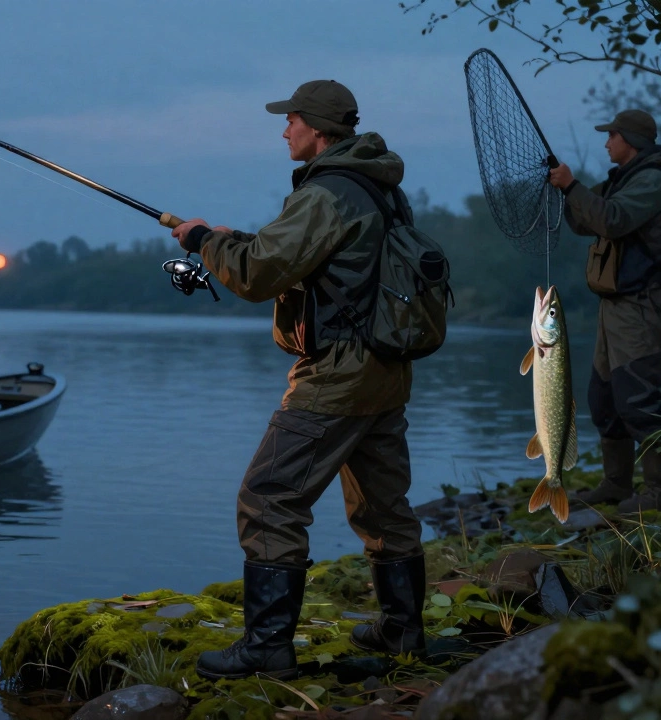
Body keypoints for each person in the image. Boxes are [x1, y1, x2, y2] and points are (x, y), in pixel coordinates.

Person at [170, 80, 426, 681]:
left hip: (338, 373)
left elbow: (258, 275)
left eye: (289, 121)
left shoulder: (327, 192)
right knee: (384, 505)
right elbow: (302, 260)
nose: (283, 130)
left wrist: (203, 239)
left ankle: (266, 649)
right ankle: (403, 630)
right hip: (385, 371)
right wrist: (231, 241)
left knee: (268, 496)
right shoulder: (378, 188)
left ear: (316, 127)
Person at [549, 109, 661, 513]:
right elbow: (586, 221)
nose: (607, 142)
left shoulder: (653, 181)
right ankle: (616, 484)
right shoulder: (624, 179)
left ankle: (660, 492)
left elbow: (613, 219)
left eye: (612, 136)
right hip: (616, 306)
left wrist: (572, 184)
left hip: (643, 304)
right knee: (604, 399)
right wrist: (565, 191)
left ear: (631, 140)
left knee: (638, 400)